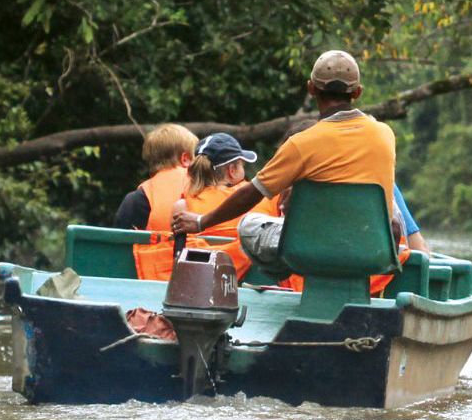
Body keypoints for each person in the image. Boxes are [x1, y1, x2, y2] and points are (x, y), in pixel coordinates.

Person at [173, 49, 402, 250]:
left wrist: (202, 222)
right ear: (358, 92)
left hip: (314, 250)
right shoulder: (385, 134)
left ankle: (282, 281)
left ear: (311, 88)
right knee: (392, 213)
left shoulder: (301, 143)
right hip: (372, 250)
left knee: (249, 224)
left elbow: (250, 194)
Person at [131, 132, 279, 281]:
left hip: (196, 284)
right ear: (232, 171)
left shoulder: (182, 208)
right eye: (242, 165)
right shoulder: (263, 200)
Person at [113, 123, 198, 230]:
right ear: (186, 159)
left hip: (159, 247)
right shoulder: (206, 186)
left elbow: (120, 242)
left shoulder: (136, 199)